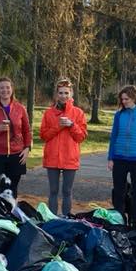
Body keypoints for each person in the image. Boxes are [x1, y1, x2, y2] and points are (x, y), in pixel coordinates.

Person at [40, 78, 88, 216]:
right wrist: (58, 126)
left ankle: (67, 219)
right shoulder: (48, 113)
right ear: (56, 94)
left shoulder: (78, 113)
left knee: (67, 191)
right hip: (52, 157)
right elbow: (44, 136)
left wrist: (72, 125)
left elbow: (81, 137)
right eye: (60, 93)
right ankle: (52, 219)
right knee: (53, 191)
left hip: (70, 157)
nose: (63, 96)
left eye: (66, 93)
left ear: (71, 93)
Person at [0, 77, 32, 197]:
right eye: (2, 88)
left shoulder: (20, 108)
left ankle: (11, 209)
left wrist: (27, 148)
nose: (5, 90)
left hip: (16, 155)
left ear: (12, 89)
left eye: (8, 87)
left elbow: (27, 130)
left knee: (12, 190)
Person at [107, 85, 136, 228]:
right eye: (122, 99)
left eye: (126, 99)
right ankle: (119, 221)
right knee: (118, 192)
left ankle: (135, 223)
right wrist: (110, 158)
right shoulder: (119, 115)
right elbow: (113, 137)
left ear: (134, 98)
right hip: (119, 159)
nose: (124, 101)